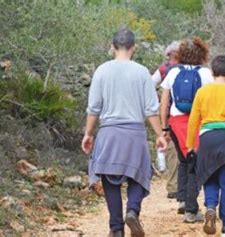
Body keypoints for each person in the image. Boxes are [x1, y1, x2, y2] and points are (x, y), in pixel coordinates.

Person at [82, 28, 167, 237]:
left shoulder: (102, 71)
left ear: (112, 47)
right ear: (133, 47)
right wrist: (159, 135)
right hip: (134, 133)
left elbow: (94, 108)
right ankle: (132, 210)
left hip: (109, 133)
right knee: (139, 175)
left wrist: (88, 133)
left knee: (109, 180)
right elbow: (151, 109)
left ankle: (116, 229)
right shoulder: (141, 72)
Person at [186, 55, 225, 237]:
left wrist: (190, 145)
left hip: (207, 140)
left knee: (209, 177)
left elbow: (193, 121)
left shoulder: (202, 92)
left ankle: (210, 206)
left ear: (212, 71)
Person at [160, 37, 214, 223]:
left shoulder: (173, 72)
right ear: (202, 54)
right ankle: (191, 210)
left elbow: (164, 101)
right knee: (195, 164)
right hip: (197, 123)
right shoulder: (206, 74)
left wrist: (164, 126)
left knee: (184, 161)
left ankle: (182, 199)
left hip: (176, 122)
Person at [151, 41, 181, 199]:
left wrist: (155, 102)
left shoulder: (163, 69)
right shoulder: (186, 68)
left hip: (167, 114)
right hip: (182, 114)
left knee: (171, 150)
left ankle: (173, 186)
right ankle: (181, 186)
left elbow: (149, 83)